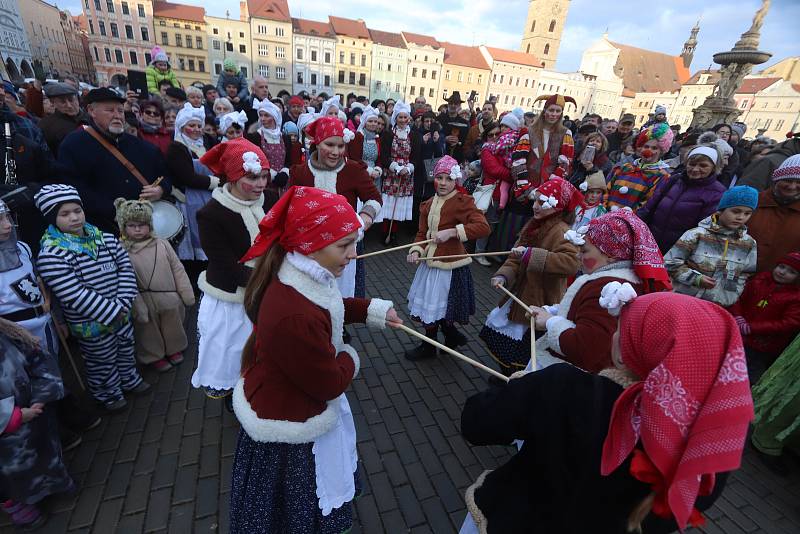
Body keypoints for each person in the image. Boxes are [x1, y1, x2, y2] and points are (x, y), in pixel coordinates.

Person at [459, 289, 752, 534]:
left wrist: (522, 391)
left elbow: (475, 423)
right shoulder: (711, 448)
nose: (612, 335)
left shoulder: (566, 388)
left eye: (620, 329)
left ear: (628, 351)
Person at [229, 186, 399, 534]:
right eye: (344, 245)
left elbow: (329, 307)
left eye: (354, 242)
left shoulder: (301, 272)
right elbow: (329, 383)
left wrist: (370, 310)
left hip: (289, 397)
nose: (353, 254)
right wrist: (350, 356)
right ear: (310, 243)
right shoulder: (294, 313)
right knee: (295, 511)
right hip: (290, 423)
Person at [35, 185, 147, 411]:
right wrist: (112, 310)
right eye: (64, 214)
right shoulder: (51, 253)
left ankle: (130, 379)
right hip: (90, 322)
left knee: (126, 347)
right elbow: (72, 292)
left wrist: (123, 302)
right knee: (101, 361)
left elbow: (125, 268)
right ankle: (108, 395)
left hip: (121, 311)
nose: (74, 218)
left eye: (77, 210)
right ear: (51, 217)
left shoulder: (104, 237)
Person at [526, 210, 670, 374]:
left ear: (611, 255)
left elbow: (586, 347)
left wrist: (550, 322)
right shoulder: (619, 281)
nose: (579, 256)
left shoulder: (608, 289)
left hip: (564, 378)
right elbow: (586, 315)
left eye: (585, 251)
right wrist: (554, 311)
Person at [192, 138, 270, 405]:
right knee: (233, 352)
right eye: (252, 177)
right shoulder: (211, 214)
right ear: (234, 177)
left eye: (264, 176)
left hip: (262, 291)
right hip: (232, 299)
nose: (261, 184)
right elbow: (225, 265)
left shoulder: (264, 200)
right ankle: (234, 402)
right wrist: (268, 280)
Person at [480, 178, 582, 376]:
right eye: (535, 201)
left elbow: (571, 263)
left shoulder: (562, 231)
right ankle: (508, 376)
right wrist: (504, 275)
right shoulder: (534, 225)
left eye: (541, 202)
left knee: (526, 349)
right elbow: (516, 258)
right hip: (520, 295)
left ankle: (518, 380)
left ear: (557, 206)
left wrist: (531, 254)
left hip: (541, 301)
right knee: (502, 339)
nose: (535, 206)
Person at [286, 116, 382, 299]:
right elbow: (291, 209)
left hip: (345, 248)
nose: (336, 152)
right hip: (311, 251)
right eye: (329, 145)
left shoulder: (353, 170)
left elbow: (374, 199)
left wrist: (364, 219)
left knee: (342, 297)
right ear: (317, 143)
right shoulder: (300, 173)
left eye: (340, 146)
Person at [405, 157, 490, 360]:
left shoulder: (463, 201)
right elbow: (421, 233)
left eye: (448, 179)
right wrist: (416, 250)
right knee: (431, 307)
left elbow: (483, 227)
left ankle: (438, 342)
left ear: (455, 181)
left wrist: (453, 231)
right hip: (429, 265)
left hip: (450, 267)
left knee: (441, 306)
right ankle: (442, 340)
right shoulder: (427, 204)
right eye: (439, 178)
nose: (442, 183)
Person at [58, 88, 171, 234]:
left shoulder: (140, 145)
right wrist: (116, 210)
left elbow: (165, 175)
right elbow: (74, 189)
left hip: (144, 227)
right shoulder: (73, 145)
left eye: (120, 111)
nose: (117, 116)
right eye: (110, 110)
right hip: (103, 230)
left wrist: (161, 189)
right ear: (92, 111)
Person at [0, 318, 74, 530]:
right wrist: (11, 416)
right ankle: (14, 504)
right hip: (8, 428)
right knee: (9, 474)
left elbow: (38, 357)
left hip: (34, 413)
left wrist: (42, 394)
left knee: (43, 450)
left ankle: (50, 481)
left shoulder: (7, 333)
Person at [114, 198, 194, 373]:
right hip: (143, 299)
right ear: (123, 227)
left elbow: (177, 268)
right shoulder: (121, 251)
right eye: (132, 225)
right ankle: (154, 355)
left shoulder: (162, 243)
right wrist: (136, 305)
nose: (137, 229)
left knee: (173, 324)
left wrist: (185, 292)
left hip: (169, 296)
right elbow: (125, 282)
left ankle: (175, 348)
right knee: (147, 330)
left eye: (142, 225)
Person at [664, 186, 758, 307]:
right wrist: (695, 279)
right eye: (736, 211)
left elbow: (745, 274)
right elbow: (670, 263)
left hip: (716, 305)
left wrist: (731, 297)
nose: (741, 217)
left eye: (747, 213)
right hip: (681, 300)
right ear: (720, 210)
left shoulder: (749, 243)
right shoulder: (697, 234)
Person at [638, 145, 727, 253]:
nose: (695, 169)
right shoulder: (674, 180)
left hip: (679, 251)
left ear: (714, 167)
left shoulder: (717, 193)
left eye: (703, 166)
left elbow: (706, 230)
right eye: (692, 164)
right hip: (648, 243)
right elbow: (649, 208)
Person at [164, 102, 218, 265]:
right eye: (191, 125)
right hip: (189, 200)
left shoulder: (206, 143)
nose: (196, 129)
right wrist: (213, 182)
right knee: (196, 237)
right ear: (181, 127)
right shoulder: (177, 148)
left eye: (198, 125)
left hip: (208, 198)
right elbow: (186, 177)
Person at [375, 101, 423, 244]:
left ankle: (394, 233)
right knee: (389, 204)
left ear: (409, 118)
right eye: (400, 117)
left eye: (405, 117)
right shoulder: (388, 135)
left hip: (407, 174)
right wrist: (395, 167)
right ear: (395, 118)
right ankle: (385, 232)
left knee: (399, 206)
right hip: (391, 173)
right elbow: (383, 156)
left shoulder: (414, 136)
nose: (403, 120)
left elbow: (417, 157)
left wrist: (408, 168)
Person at [747, 155, 800, 271]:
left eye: (799, 182)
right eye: (788, 180)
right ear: (777, 180)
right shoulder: (752, 202)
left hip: (780, 285)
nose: (792, 186)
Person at [510, 94, 575, 188]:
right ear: (544, 110)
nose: (554, 114)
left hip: (549, 189)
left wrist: (551, 185)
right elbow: (518, 160)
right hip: (526, 186)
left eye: (558, 111)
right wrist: (525, 187)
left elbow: (565, 163)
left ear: (561, 113)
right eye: (551, 110)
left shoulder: (565, 134)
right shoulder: (529, 132)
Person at [605, 124, 673, 212]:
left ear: (661, 151)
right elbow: (606, 189)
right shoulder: (624, 167)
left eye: (654, 148)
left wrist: (627, 218)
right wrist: (604, 208)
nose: (649, 150)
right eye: (646, 146)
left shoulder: (661, 176)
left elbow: (647, 204)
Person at [244, 98, 289, 198]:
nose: (263, 119)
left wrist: (285, 172)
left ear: (274, 117)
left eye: (266, 115)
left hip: (283, 184)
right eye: (261, 115)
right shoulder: (255, 137)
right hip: (263, 183)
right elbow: (255, 160)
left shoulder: (284, 137)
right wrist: (271, 175)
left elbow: (289, 159)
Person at [38, 83, 88, 157]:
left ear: (77, 99)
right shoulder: (46, 125)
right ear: (53, 103)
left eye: (71, 100)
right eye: (62, 102)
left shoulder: (91, 117)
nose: (69, 105)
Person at [348, 106, 384, 192]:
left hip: (375, 175)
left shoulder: (377, 138)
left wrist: (378, 169)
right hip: (361, 172)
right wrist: (369, 170)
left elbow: (379, 157)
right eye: (370, 121)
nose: (373, 124)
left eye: (375, 121)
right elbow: (354, 157)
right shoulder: (358, 136)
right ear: (365, 122)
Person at [437, 92, 471, 163]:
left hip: (457, 157)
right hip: (440, 155)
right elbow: (434, 135)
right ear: (448, 104)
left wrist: (458, 142)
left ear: (459, 105)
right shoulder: (439, 119)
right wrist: (444, 139)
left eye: (455, 104)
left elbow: (466, 140)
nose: (453, 105)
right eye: (451, 103)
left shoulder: (464, 123)